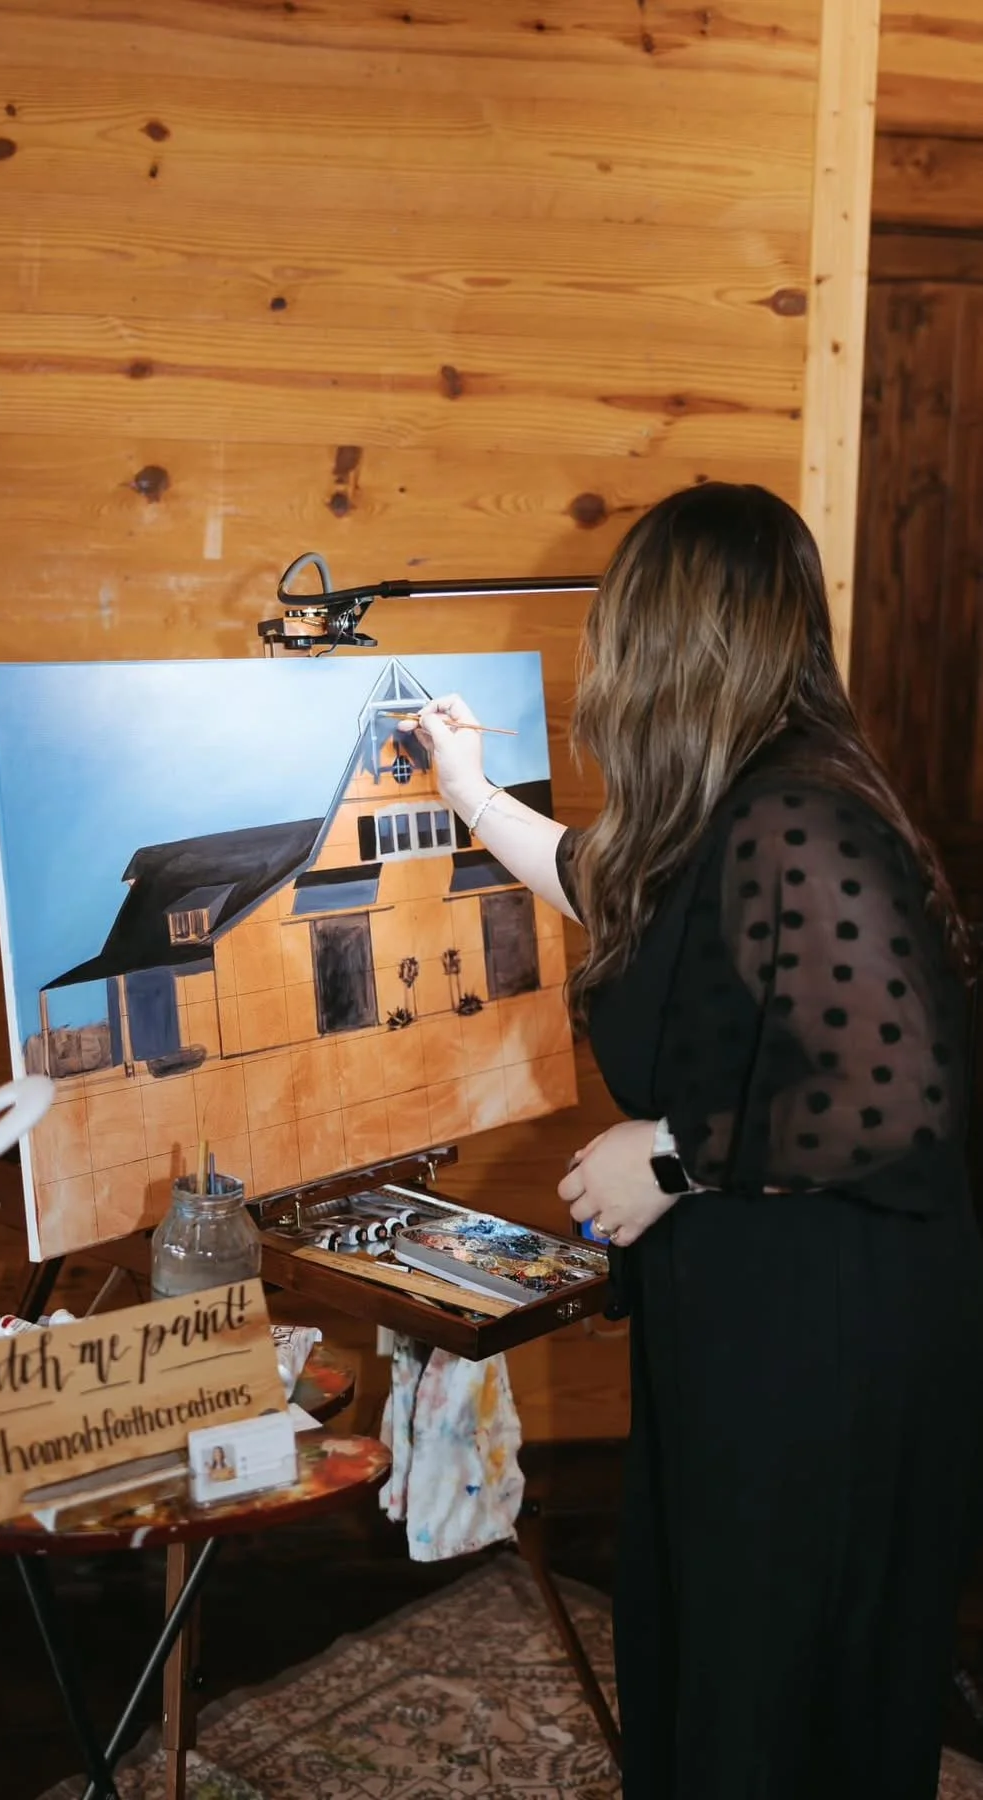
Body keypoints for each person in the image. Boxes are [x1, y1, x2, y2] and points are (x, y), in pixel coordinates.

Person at [409, 481, 983, 1800]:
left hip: (832, 1340)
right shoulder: (745, 802)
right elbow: (618, 889)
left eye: (615, 623)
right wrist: (470, 794)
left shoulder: (799, 817)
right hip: (769, 1314)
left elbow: (897, 1094)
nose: (599, 655)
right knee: (727, 1660)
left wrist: (667, 1154)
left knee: (783, 1691)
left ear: (671, 641)